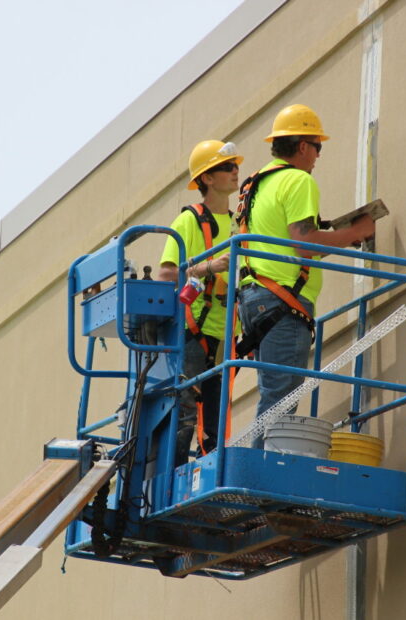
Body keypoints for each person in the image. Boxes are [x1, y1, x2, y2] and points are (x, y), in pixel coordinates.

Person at [236, 104, 374, 438]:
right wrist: (355, 234)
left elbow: (288, 246)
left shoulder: (258, 184)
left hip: (255, 300)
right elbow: (304, 243)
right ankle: (261, 478)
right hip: (281, 304)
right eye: (317, 147)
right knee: (281, 399)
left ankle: (257, 469)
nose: (318, 156)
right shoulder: (298, 180)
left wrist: (336, 238)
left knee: (273, 393)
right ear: (301, 146)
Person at [159, 139, 243, 465]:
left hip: (226, 334)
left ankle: (206, 474)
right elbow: (168, 276)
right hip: (194, 331)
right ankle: (172, 479)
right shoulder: (189, 221)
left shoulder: (240, 223)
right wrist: (208, 266)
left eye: (235, 165)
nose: (235, 171)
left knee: (215, 421)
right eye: (227, 167)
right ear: (207, 178)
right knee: (184, 413)